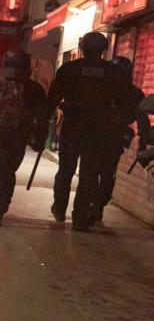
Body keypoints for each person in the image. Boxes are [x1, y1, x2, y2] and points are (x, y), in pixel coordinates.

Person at [47, 31, 128, 231]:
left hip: (73, 126)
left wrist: (44, 119)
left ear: (82, 47)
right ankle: (81, 216)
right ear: (103, 49)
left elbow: (53, 97)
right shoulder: (112, 72)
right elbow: (122, 101)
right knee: (89, 174)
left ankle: (59, 207)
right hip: (97, 129)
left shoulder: (69, 69)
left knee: (66, 169)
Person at [0, 51, 48, 226]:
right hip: (19, 137)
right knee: (9, 171)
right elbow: (43, 117)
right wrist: (38, 138)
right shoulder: (35, 89)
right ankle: (2, 205)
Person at [94, 56, 150, 225]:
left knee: (99, 173)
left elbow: (142, 119)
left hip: (109, 138)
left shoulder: (105, 89)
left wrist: (142, 142)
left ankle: (95, 207)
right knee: (101, 174)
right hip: (104, 137)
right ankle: (94, 207)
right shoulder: (103, 89)